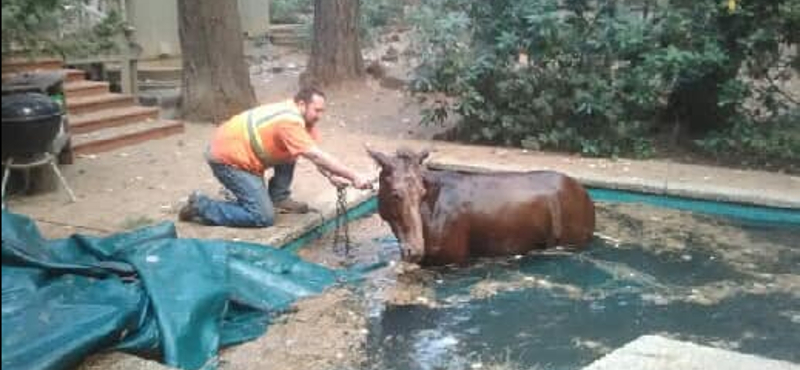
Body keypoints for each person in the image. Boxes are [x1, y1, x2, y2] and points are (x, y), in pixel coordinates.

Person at [179, 87, 372, 227]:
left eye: (323, 111)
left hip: (246, 155)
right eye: (317, 110)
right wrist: (354, 176)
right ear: (302, 104)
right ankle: (202, 206)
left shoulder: (304, 121)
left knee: (292, 152)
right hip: (228, 159)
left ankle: (278, 197)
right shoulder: (289, 121)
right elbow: (315, 155)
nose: (320, 115)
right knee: (262, 217)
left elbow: (313, 155)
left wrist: (332, 177)